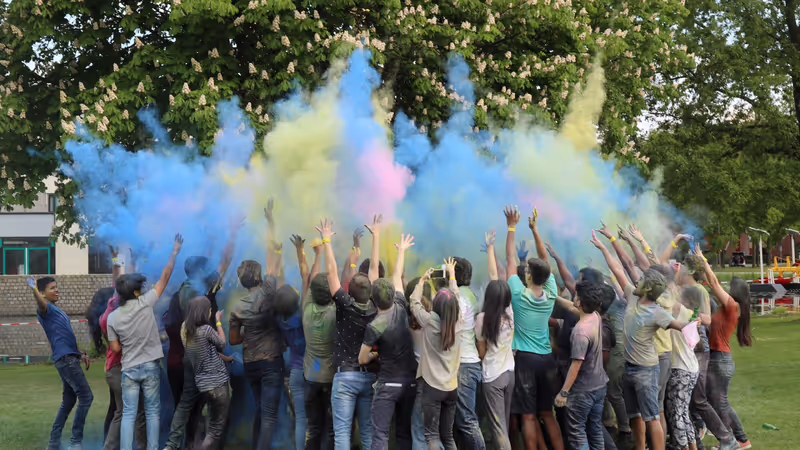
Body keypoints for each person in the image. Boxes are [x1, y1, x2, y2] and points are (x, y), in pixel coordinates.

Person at [589, 231, 696, 450]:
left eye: (641, 280)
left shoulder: (658, 312)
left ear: (648, 288)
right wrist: (603, 248)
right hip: (629, 369)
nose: (635, 279)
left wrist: (696, 322)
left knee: (652, 417)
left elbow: (681, 326)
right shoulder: (631, 295)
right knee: (635, 416)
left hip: (647, 371)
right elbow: (618, 268)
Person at [107, 234, 183, 450]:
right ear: (134, 291)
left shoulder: (113, 317)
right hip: (150, 367)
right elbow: (165, 277)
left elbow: (115, 348)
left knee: (128, 414)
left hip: (129, 368)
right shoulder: (146, 302)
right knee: (152, 412)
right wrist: (174, 251)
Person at [503, 206, 563, 450]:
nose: (524, 269)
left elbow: (509, 259)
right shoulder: (550, 293)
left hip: (525, 362)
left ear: (528, 275)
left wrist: (511, 227)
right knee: (547, 414)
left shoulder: (518, 294)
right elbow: (545, 263)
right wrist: (535, 230)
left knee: (528, 416)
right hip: (547, 360)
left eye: (527, 269)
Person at [318, 217, 379, 450]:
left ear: (349, 292)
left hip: (345, 377)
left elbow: (332, 273)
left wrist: (326, 240)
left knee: (342, 433)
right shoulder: (376, 307)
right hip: (369, 376)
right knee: (367, 432)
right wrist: (376, 236)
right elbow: (373, 270)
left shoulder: (345, 305)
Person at [358, 233, 418, 450]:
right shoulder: (402, 306)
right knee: (403, 435)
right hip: (410, 383)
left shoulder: (375, 325)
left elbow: (362, 359)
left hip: (387, 385)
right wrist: (401, 251)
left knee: (381, 436)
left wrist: (376, 354)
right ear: (393, 294)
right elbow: (397, 276)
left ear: (373, 300)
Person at [29, 275, 94, 450]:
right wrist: (34, 289)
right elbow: (41, 304)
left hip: (69, 358)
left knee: (68, 402)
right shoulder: (45, 309)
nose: (56, 290)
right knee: (86, 397)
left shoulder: (58, 311)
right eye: (52, 288)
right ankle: (75, 442)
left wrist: (80, 354)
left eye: (56, 287)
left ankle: (53, 444)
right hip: (66, 361)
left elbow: (64, 338)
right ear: (43, 293)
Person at [228, 260, 285, 450]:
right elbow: (272, 261)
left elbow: (234, 340)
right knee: (269, 416)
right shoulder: (268, 291)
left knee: (261, 410)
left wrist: (250, 332)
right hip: (270, 363)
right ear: (258, 276)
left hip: (250, 364)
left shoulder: (237, 308)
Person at [699, 248, 752, 450]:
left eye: (730, 286)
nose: (727, 288)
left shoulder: (732, 306)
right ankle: (731, 438)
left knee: (720, 402)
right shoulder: (726, 308)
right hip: (718, 358)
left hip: (720, 360)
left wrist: (703, 260)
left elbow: (713, 283)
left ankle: (739, 439)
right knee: (715, 401)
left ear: (735, 291)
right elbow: (711, 322)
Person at [680, 255, 735, 450]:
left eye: (682, 267)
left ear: (689, 271)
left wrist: (692, 317)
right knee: (691, 399)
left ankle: (727, 438)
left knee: (699, 398)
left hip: (698, 346)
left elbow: (708, 319)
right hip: (694, 344)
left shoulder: (697, 289)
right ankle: (694, 438)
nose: (678, 270)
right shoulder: (691, 289)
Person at [96, 251, 147, 450]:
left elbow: (119, 281)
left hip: (113, 368)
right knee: (134, 411)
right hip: (121, 367)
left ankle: (111, 447)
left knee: (121, 411)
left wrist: (118, 261)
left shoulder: (111, 306)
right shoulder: (119, 314)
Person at [410, 259, 462, 450]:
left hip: (432, 388)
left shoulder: (429, 321)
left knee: (431, 435)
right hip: (452, 387)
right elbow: (455, 296)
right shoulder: (460, 321)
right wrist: (452, 275)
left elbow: (414, 302)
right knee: (448, 436)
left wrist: (422, 281)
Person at [553, 281, 609, 450]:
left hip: (582, 391)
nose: (574, 298)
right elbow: (572, 307)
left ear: (579, 302)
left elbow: (576, 365)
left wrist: (563, 393)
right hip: (599, 386)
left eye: (576, 296)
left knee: (577, 433)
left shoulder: (580, 331)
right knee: (595, 430)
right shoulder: (595, 317)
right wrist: (553, 297)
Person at [474, 232, 515, 450]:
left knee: (498, 429)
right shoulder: (510, 313)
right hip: (510, 373)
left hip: (493, 376)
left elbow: (481, 353)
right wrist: (491, 248)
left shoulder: (482, 320)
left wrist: (490, 248)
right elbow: (496, 276)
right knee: (504, 425)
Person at [182, 296, 230, 450]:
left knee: (211, 421)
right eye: (209, 310)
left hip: (204, 386)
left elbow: (207, 353)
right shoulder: (206, 330)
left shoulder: (188, 332)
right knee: (215, 430)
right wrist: (218, 321)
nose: (210, 312)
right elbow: (222, 343)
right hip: (218, 384)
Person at [450, 255, 485, 450]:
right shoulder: (470, 295)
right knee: (462, 419)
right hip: (468, 362)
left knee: (466, 420)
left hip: (463, 364)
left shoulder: (460, 297)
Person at [282, 234, 314, 450]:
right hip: (314, 368)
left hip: (294, 371)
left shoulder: (281, 319)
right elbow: (306, 278)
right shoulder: (304, 315)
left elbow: (281, 284)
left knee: (301, 418)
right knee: (319, 413)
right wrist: (301, 251)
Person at [302, 267, 337, 450]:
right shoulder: (335, 313)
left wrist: (318, 252)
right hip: (331, 379)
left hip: (310, 377)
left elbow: (311, 283)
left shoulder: (306, 310)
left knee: (314, 429)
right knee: (333, 430)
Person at [665, 286, 703, 450]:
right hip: (691, 367)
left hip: (680, 369)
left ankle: (683, 447)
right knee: (683, 412)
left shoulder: (679, 311)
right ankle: (692, 446)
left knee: (676, 414)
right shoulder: (692, 315)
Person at [407, 277, 434, 450]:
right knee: (435, 431)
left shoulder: (409, 325)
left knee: (417, 427)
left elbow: (413, 304)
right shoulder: (437, 323)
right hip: (437, 380)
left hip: (420, 379)